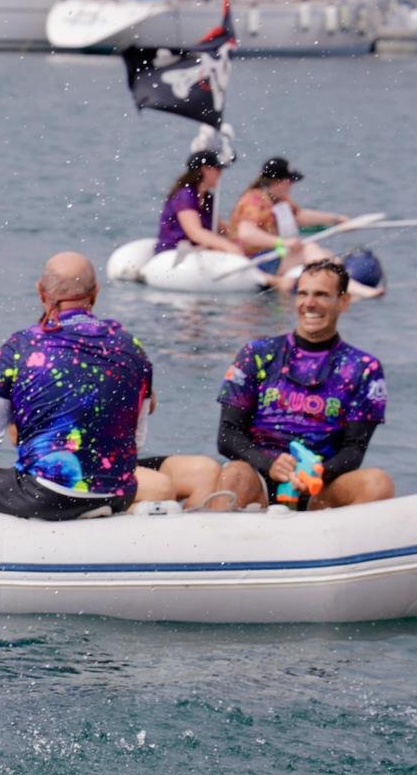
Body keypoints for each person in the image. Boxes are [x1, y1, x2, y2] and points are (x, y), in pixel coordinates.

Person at [0, 252, 158, 519]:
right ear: (95, 293)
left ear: (41, 291)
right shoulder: (132, 347)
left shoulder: (20, 346)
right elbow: (137, 439)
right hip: (120, 494)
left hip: (47, 495)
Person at [205, 260, 394, 511]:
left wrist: (318, 474)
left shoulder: (363, 367)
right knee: (236, 473)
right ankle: (219, 544)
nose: (309, 303)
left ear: (344, 301)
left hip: (319, 487)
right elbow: (228, 435)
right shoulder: (257, 354)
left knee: (378, 482)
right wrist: (268, 463)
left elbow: (354, 450)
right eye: (302, 293)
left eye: (322, 295)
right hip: (259, 479)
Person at [227, 156, 349, 289]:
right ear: (279, 181)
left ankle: (339, 285)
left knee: (325, 254)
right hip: (255, 261)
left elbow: (299, 216)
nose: (292, 185)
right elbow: (246, 234)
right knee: (309, 249)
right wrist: (283, 242)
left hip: (272, 255)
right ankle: (345, 288)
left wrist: (336, 219)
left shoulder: (279, 199)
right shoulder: (254, 201)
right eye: (290, 181)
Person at [155, 150, 245, 257]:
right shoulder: (185, 195)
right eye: (218, 169)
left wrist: (242, 237)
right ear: (205, 169)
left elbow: (221, 228)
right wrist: (229, 246)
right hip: (175, 252)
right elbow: (195, 232)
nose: (220, 174)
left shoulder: (208, 198)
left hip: (196, 251)